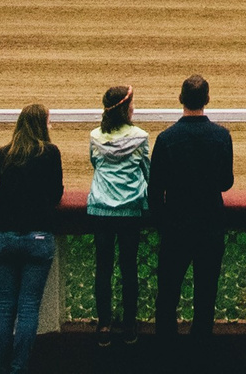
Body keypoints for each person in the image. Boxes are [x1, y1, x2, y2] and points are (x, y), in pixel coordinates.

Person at [150, 73, 235, 347]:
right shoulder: (222, 136)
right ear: (207, 100)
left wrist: (163, 223)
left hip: (176, 225)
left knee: (168, 292)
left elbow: (154, 190)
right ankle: (201, 348)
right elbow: (226, 182)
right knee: (206, 291)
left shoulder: (166, 139)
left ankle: (166, 348)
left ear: (180, 99)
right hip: (210, 224)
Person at [0, 106, 63, 374]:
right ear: (42, 125)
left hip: (6, 237)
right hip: (38, 236)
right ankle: (18, 369)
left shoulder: (4, 153)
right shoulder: (50, 153)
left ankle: (0, 368)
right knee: (28, 308)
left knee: (5, 309)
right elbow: (56, 193)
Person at [87, 85, 152, 347]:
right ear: (126, 109)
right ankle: (129, 326)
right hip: (129, 210)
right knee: (129, 269)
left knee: (103, 269)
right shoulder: (141, 137)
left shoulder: (95, 136)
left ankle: (103, 325)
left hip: (101, 208)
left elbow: (95, 164)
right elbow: (147, 171)